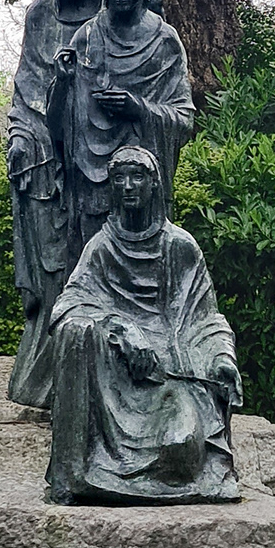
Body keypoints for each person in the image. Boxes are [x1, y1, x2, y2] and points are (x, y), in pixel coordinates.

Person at [46, 147, 242, 504]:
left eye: (137, 177)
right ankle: (77, 474)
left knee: (181, 450)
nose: (127, 186)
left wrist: (222, 359)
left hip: (170, 375)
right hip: (116, 380)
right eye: (118, 178)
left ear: (154, 184)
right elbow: (68, 305)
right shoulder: (102, 246)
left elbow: (206, 319)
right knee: (74, 331)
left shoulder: (180, 246)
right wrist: (119, 327)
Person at [4, 0, 103, 408]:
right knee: (52, 264)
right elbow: (28, 84)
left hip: (97, 150)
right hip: (47, 147)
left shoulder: (113, 11)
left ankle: (97, 370)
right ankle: (47, 374)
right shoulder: (41, 13)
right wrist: (21, 135)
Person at [58, 0, 194, 261]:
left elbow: (184, 120)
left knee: (150, 263)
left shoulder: (165, 40)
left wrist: (139, 109)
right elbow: (63, 124)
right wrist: (62, 81)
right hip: (92, 180)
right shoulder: (86, 36)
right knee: (91, 263)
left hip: (144, 181)